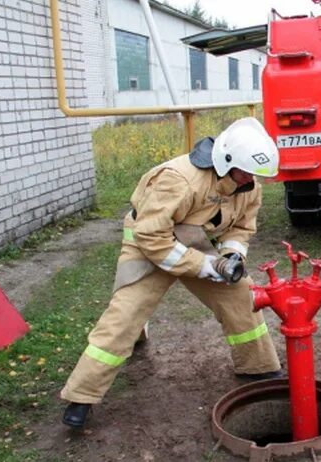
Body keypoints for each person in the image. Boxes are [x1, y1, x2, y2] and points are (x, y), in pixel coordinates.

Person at [60, 117, 283, 428]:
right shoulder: (179, 179)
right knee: (124, 316)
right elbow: (151, 236)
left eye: (255, 176)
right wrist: (204, 266)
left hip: (197, 244)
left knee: (241, 297)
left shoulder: (248, 186)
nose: (250, 180)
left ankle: (258, 366)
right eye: (246, 173)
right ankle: (81, 396)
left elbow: (243, 226)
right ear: (226, 160)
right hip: (148, 245)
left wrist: (231, 257)